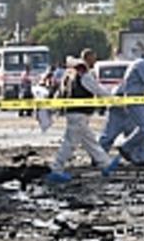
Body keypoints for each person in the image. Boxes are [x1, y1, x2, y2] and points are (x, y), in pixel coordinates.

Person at [47, 50, 121, 183]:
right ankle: (56, 170)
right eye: (93, 58)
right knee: (69, 143)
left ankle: (105, 164)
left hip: (75, 113)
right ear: (87, 58)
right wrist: (114, 100)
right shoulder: (84, 75)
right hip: (79, 113)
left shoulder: (73, 73)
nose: (95, 61)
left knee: (89, 141)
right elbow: (97, 89)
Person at [99, 50, 144, 167]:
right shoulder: (142, 65)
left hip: (134, 101)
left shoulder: (142, 66)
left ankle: (141, 158)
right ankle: (121, 149)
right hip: (129, 101)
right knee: (118, 131)